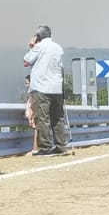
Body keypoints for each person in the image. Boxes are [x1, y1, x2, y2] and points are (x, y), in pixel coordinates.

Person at [24, 25, 70, 155]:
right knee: (57, 118)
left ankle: (44, 147)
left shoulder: (39, 47)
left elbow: (26, 61)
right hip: (56, 87)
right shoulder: (58, 47)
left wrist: (31, 46)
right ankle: (61, 145)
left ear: (38, 36)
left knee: (42, 118)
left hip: (42, 87)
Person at [23, 75, 39, 153]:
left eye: (27, 83)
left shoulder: (33, 92)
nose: (26, 85)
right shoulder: (33, 92)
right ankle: (36, 148)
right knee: (37, 129)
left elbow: (32, 104)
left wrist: (30, 116)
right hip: (33, 112)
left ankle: (35, 148)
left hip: (34, 113)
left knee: (36, 129)